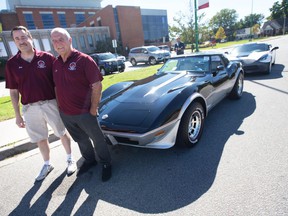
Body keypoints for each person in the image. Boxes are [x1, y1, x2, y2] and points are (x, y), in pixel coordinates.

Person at [5, 26, 77, 181]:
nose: (21, 41)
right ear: (14, 42)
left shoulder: (47, 58)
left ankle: (70, 158)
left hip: (51, 103)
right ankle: (47, 164)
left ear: (30, 37)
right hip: (30, 108)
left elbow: (59, 82)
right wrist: (17, 115)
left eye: (23, 37)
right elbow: (13, 91)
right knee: (40, 138)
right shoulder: (11, 64)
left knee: (62, 132)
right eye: (17, 38)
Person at [50, 27, 112, 182]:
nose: (58, 43)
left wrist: (93, 108)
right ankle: (89, 160)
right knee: (81, 140)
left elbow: (97, 85)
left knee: (97, 139)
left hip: (85, 112)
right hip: (66, 113)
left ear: (70, 40)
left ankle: (106, 164)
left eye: (61, 39)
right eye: (54, 40)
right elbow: (56, 87)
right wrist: (59, 107)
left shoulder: (84, 60)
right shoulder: (56, 63)